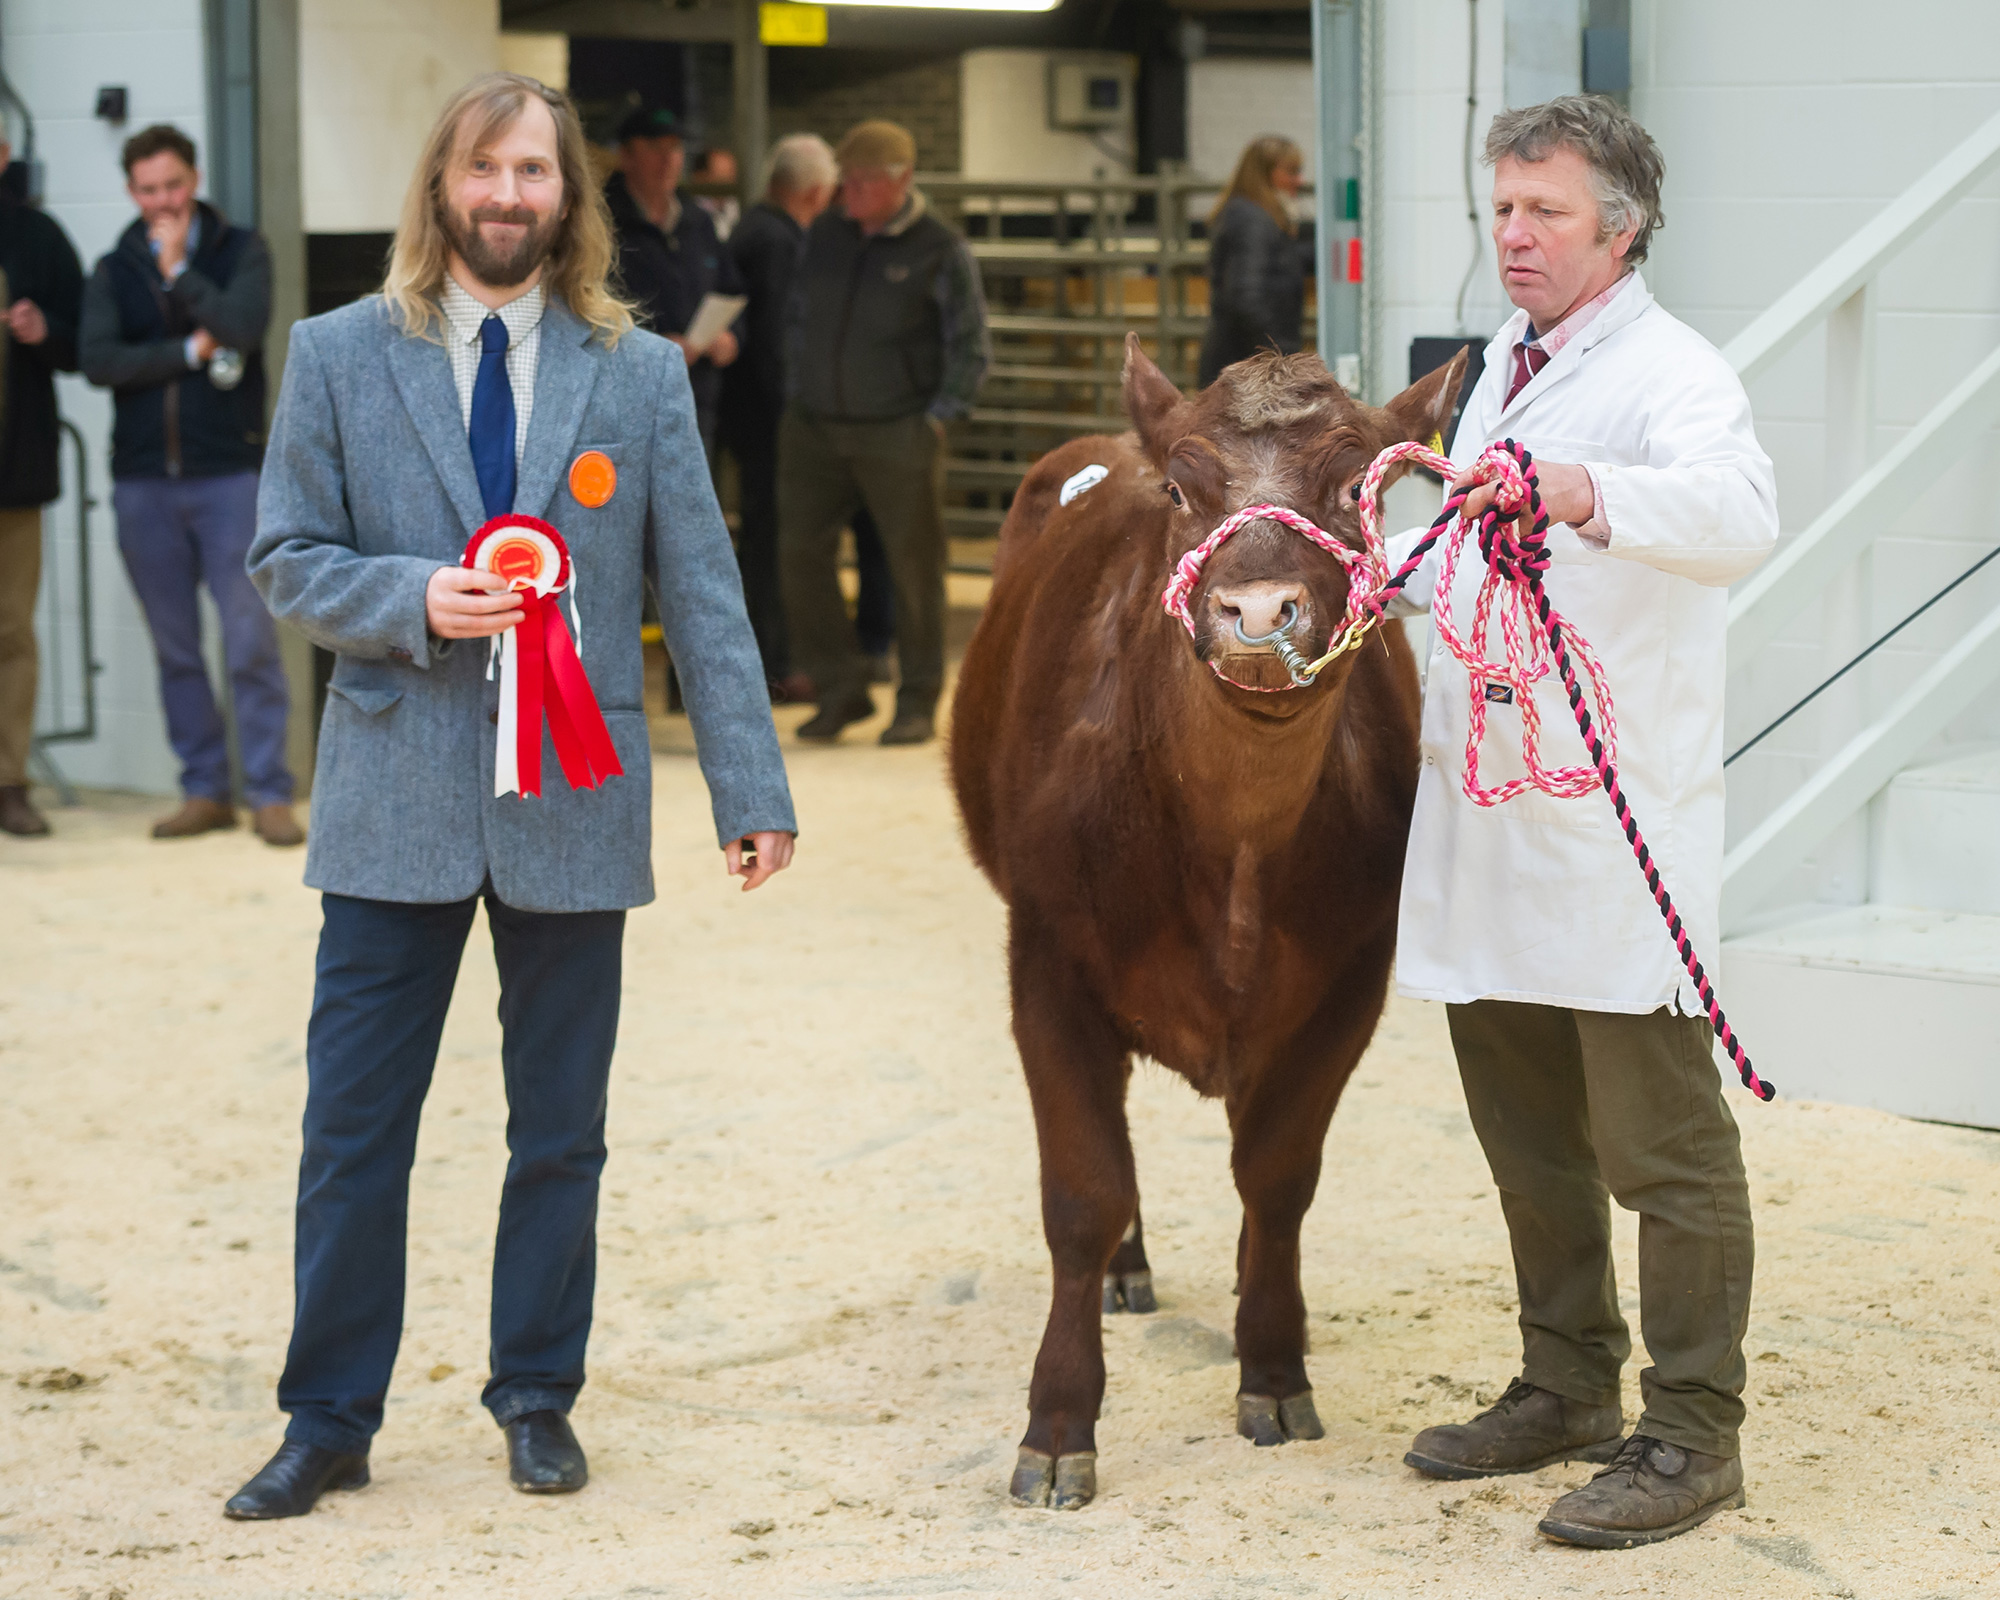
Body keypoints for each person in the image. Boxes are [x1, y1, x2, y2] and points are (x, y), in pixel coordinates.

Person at [227, 73, 796, 1520]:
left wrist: (752, 783)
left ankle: (537, 1393)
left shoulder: (640, 370)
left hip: (576, 798)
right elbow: (285, 557)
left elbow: (703, 591)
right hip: (390, 794)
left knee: (561, 1129)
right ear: (443, 188)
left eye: (534, 171)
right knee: (355, 1127)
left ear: (567, 197)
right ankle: (328, 1417)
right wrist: (414, 593)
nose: (507, 194)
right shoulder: (338, 353)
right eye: (485, 168)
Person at [1389, 96, 1775, 1549]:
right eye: (1502, 208)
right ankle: (1564, 1383)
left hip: (1615, 837)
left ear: (1622, 224)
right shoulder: (1500, 366)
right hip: (1496, 826)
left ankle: (1691, 1433)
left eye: (1543, 210)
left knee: (1660, 1147)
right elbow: (1453, 558)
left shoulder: (1676, 374)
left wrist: (1580, 489)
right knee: (1530, 1135)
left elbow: (1738, 515)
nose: (1514, 235)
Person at [78, 124, 302, 846]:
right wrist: (185, 350)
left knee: (250, 642)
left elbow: (243, 324)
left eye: (174, 186)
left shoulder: (241, 249)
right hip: (144, 482)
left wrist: (182, 275)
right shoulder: (113, 267)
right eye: (149, 190)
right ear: (131, 191)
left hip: (228, 475)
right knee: (175, 648)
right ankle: (204, 788)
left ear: (194, 178)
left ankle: (269, 791)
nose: (163, 202)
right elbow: (100, 361)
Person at [778, 119, 989, 747]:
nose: (852, 193)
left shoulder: (940, 248)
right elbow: (796, 318)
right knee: (799, 556)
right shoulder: (826, 236)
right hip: (814, 426)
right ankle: (841, 688)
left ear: (903, 180)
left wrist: (938, 417)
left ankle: (919, 697)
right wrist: (797, 390)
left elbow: (971, 343)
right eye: (848, 181)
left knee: (915, 566)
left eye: (867, 182)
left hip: (898, 427)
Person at [0, 138, 83, 838]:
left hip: (11, 476)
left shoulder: (37, 236)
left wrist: (43, 330)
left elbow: (84, 342)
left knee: (10, 632)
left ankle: (9, 781)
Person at [603, 105, 741, 451]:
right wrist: (655, 349)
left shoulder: (698, 221)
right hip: (628, 403)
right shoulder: (600, 224)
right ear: (626, 156)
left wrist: (731, 336)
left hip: (698, 397)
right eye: (654, 149)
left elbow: (732, 288)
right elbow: (586, 310)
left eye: (675, 150)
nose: (667, 161)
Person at [1196, 135, 1307, 389]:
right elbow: (1246, 297)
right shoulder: (1253, 220)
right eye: (1291, 172)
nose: (1299, 180)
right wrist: (1281, 355)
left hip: (1242, 365)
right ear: (1265, 174)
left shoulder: (1254, 217)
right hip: (1247, 371)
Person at [693, 145, 740, 240]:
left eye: (731, 176)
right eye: (722, 178)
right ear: (701, 177)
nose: (729, 184)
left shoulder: (732, 206)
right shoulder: (692, 212)